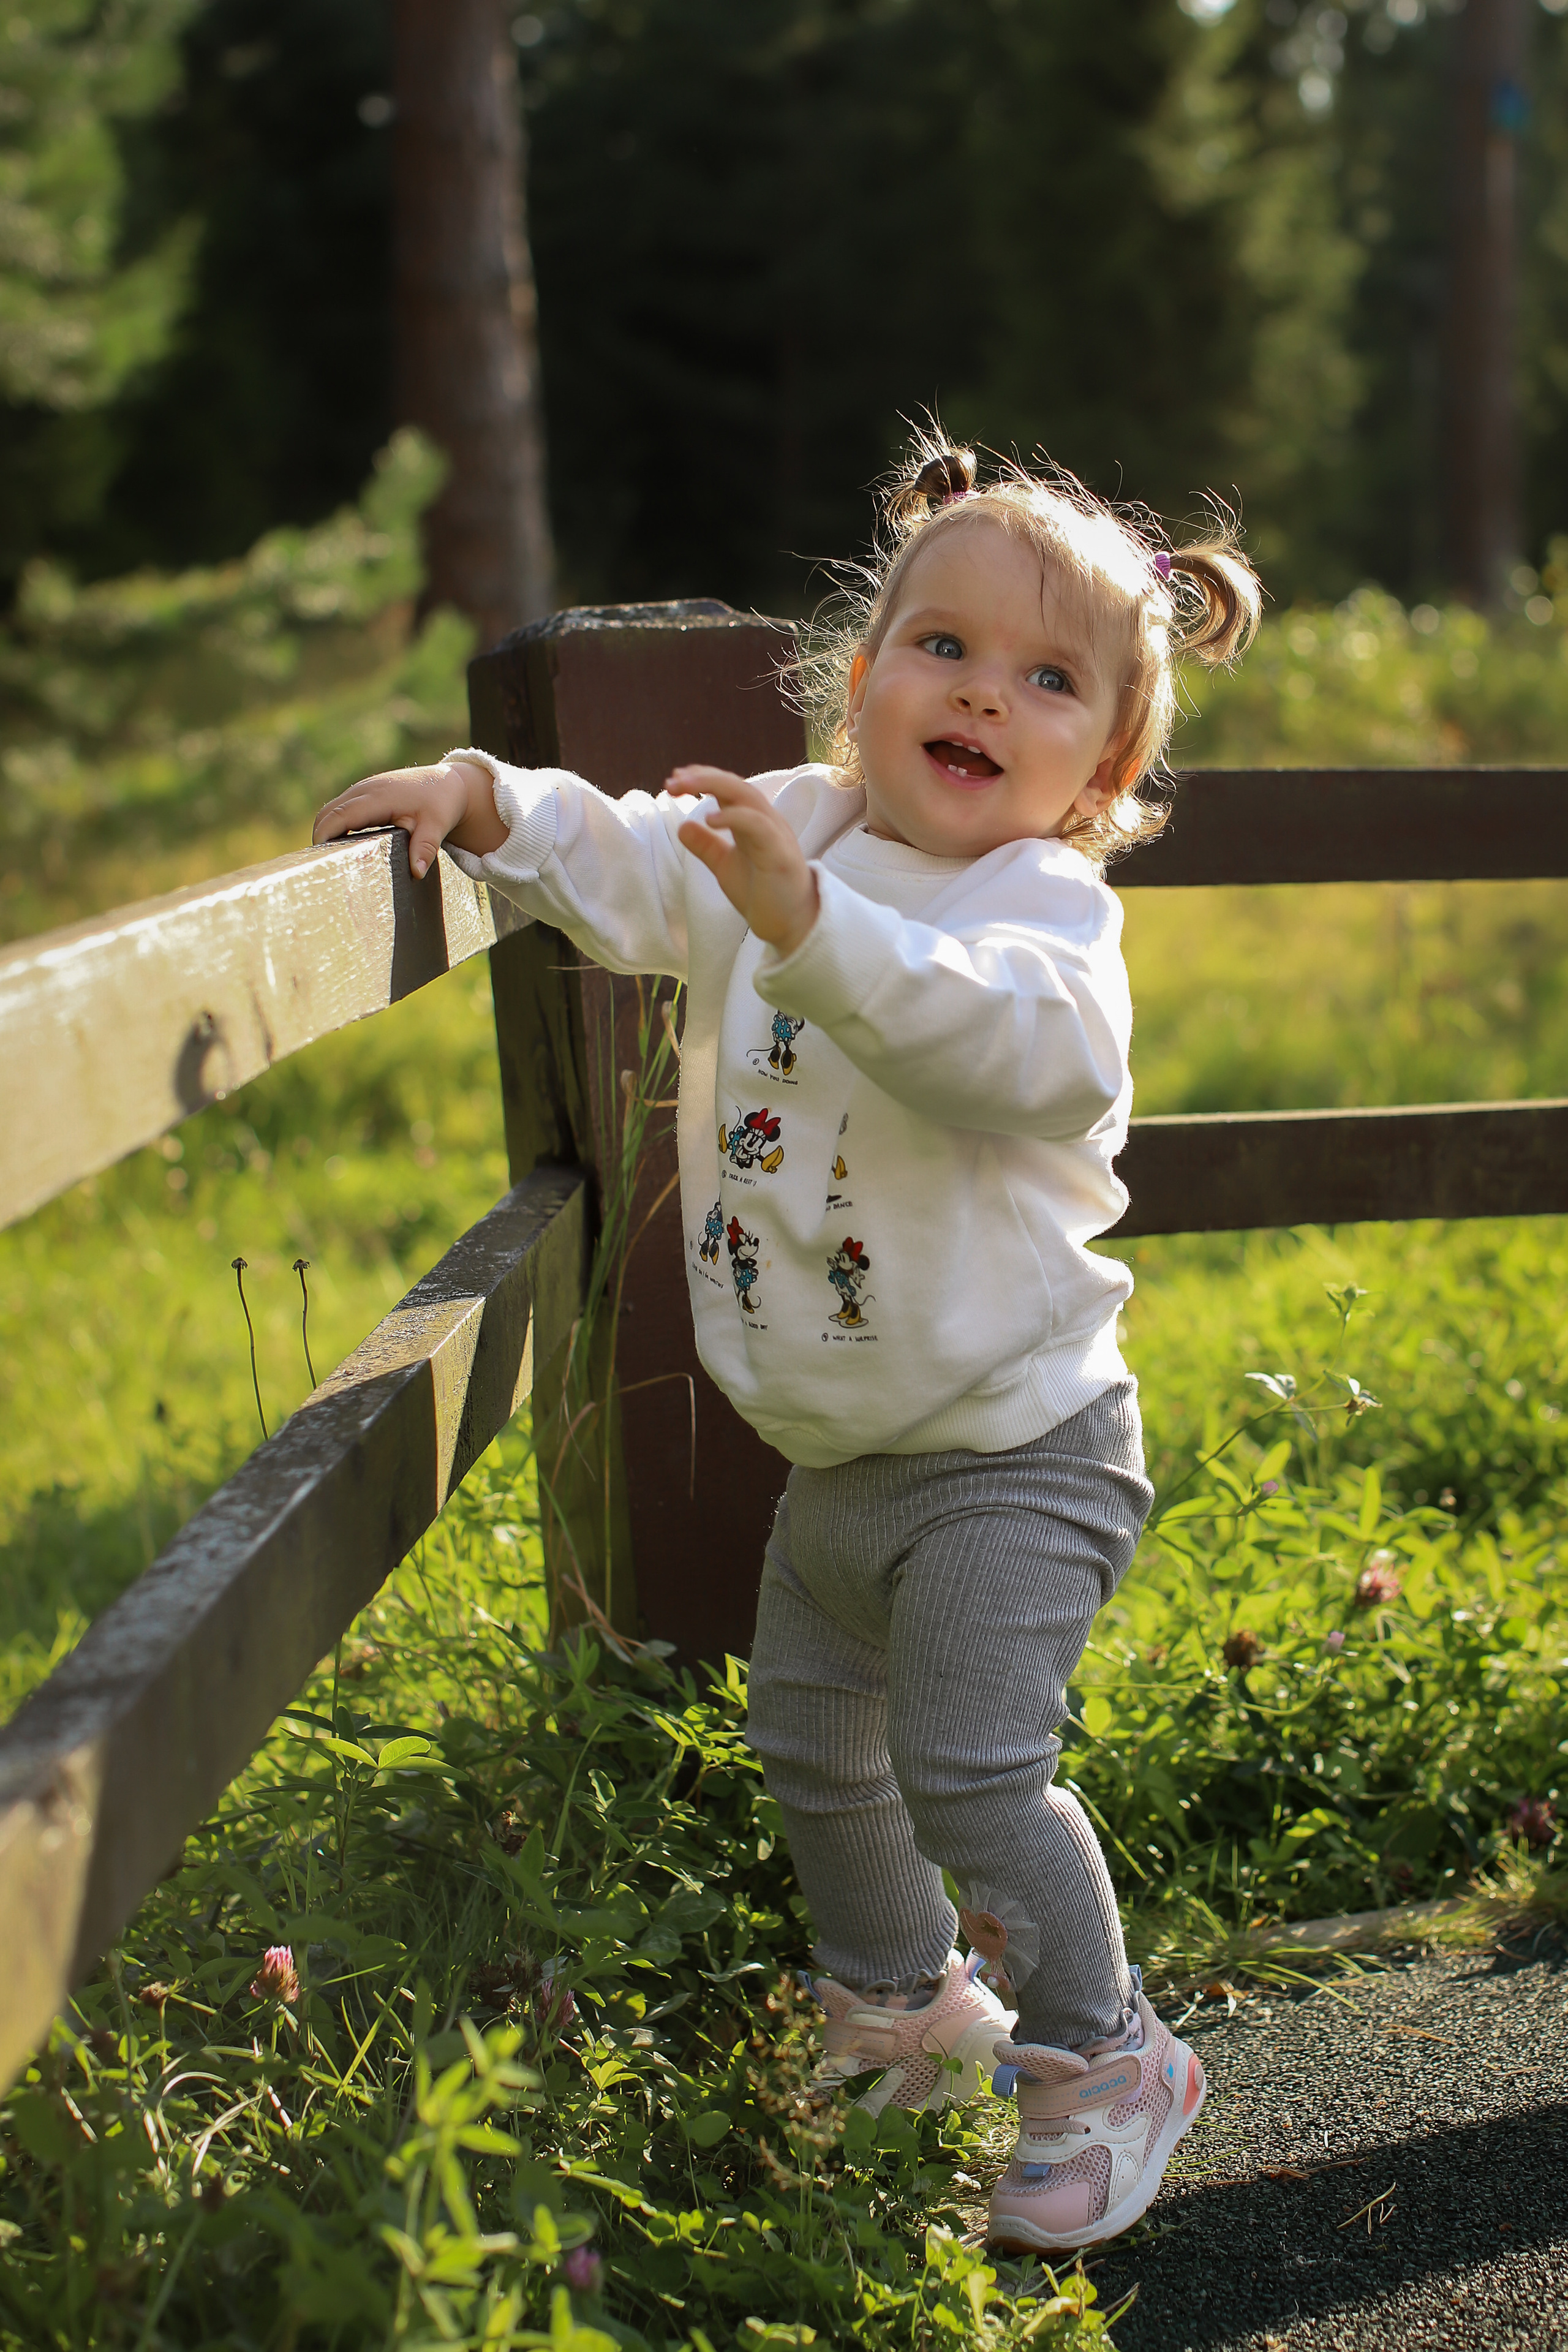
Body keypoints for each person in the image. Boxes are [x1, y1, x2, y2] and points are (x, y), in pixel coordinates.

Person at [312, 433, 1260, 2254]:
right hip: (836, 1451)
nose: (985, 694)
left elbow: (991, 1048)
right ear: (863, 676)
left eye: (1049, 681)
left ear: (1105, 771)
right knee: (816, 1751)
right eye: (947, 649)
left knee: (973, 1767)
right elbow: (629, 852)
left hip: (1016, 1448)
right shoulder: (789, 832)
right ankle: (904, 2017)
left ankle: (1105, 2055)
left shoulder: (1041, 921)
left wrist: (809, 928)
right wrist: (491, 800)